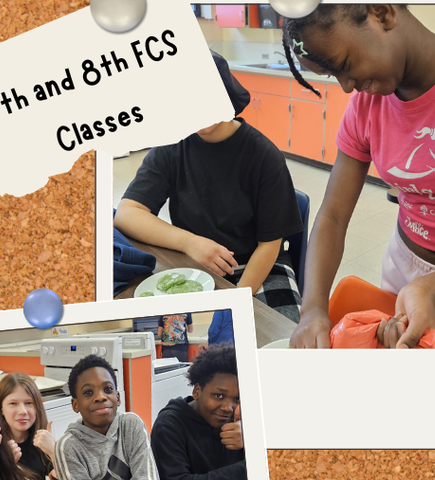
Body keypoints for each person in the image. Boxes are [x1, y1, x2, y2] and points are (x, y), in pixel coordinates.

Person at [282, 4, 435, 349]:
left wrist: (433, 286)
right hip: (404, 270)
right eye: (332, 76)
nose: (345, 87)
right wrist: (312, 308)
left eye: (344, 65)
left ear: (382, 14)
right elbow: (333, 215)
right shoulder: (366, 106)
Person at [113, 51, 305, 322]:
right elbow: (127, 212)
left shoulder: (263, 156)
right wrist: (190, 243)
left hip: (258, 266)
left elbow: (269, 245)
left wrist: (236, 300)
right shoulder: (174, 144)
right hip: (195, 262)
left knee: (275, 337)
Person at [149, 342, 246, 480]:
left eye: (237, 399)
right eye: (219, 395)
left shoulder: (241, 419)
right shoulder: (169, 425)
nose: (228, 408)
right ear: (197, 390)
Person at [0, 373, 55, 480]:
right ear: (1, 409)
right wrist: (6, 466)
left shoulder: (41, 440)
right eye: (13, 403)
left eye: (29, 403)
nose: (22, 411)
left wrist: (53, 452)